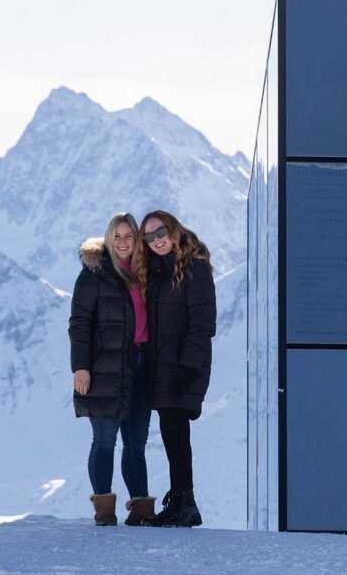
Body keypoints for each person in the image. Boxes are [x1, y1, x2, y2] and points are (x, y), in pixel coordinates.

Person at [68, 212, 156, 526]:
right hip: (104, 368)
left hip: (142, 365)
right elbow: (80, 323)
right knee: (104, 441)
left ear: (136, 239)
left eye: (128, 236)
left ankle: (141, 510)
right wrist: (80, 367)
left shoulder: (147, 271)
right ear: (108, 238)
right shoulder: (95, 273)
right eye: (116, 236)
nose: (122, 243)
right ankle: (105, 510)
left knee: (136, 443)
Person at [134, 209, 215, 528]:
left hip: (183, 366)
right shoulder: (155, 273)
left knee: (177, 433)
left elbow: (203, 323)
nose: (156, 240)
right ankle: (181, 500)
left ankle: (186, 503)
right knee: (172, 433)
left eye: (160, 231)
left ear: (173, 229)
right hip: (163, 367)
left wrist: (187, 367)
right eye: (149, 236)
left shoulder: (194, 267)